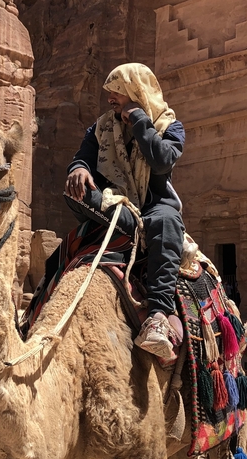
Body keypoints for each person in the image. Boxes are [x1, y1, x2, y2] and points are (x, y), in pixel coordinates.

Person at [64, 62, 185, 362]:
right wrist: (78, 169)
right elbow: (83, 158)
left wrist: (142, 123)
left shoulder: (170, 126)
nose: (110, 99)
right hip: (117, 205)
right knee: (75, 192)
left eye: (116, 92)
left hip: (153, 208)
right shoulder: (101, 127)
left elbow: (161, 162)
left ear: (135, 91)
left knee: (166, 220)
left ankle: (158, 314)